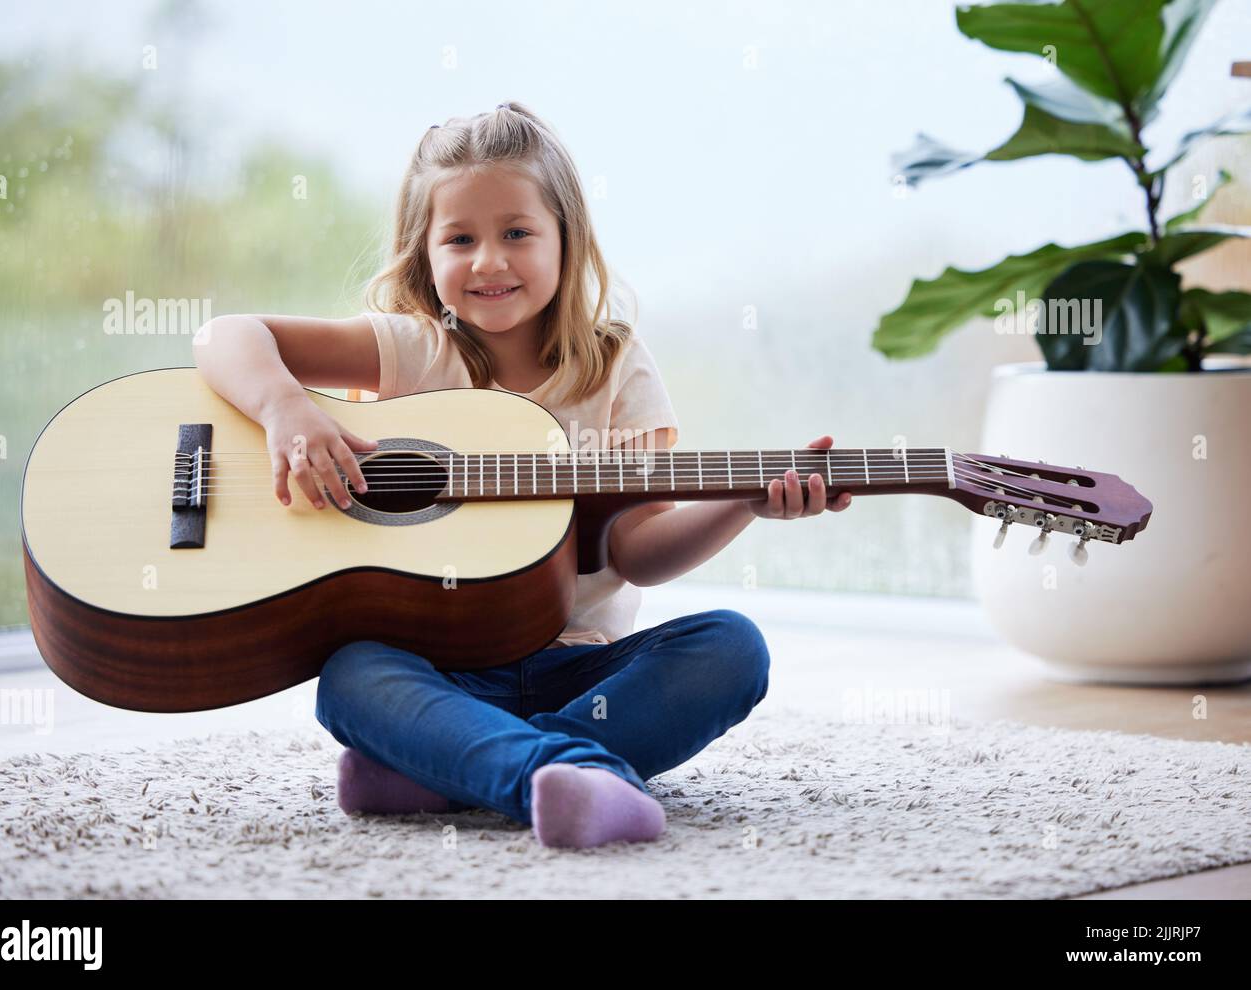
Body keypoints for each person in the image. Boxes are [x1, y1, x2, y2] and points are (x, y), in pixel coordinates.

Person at [192, 101, 852, 850]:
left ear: (566, 240)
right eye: (460, 239)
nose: (489, 261)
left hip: (584, 670)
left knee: (732, 646)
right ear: (424, 254)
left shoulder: (616, 369)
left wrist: (743, 504)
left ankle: (445, 769)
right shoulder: (409, 350)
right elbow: (224, 335)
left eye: (517, 233)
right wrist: (285, 409)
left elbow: (637, 552)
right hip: (442, 675)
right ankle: (561, 773)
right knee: (352, 676)